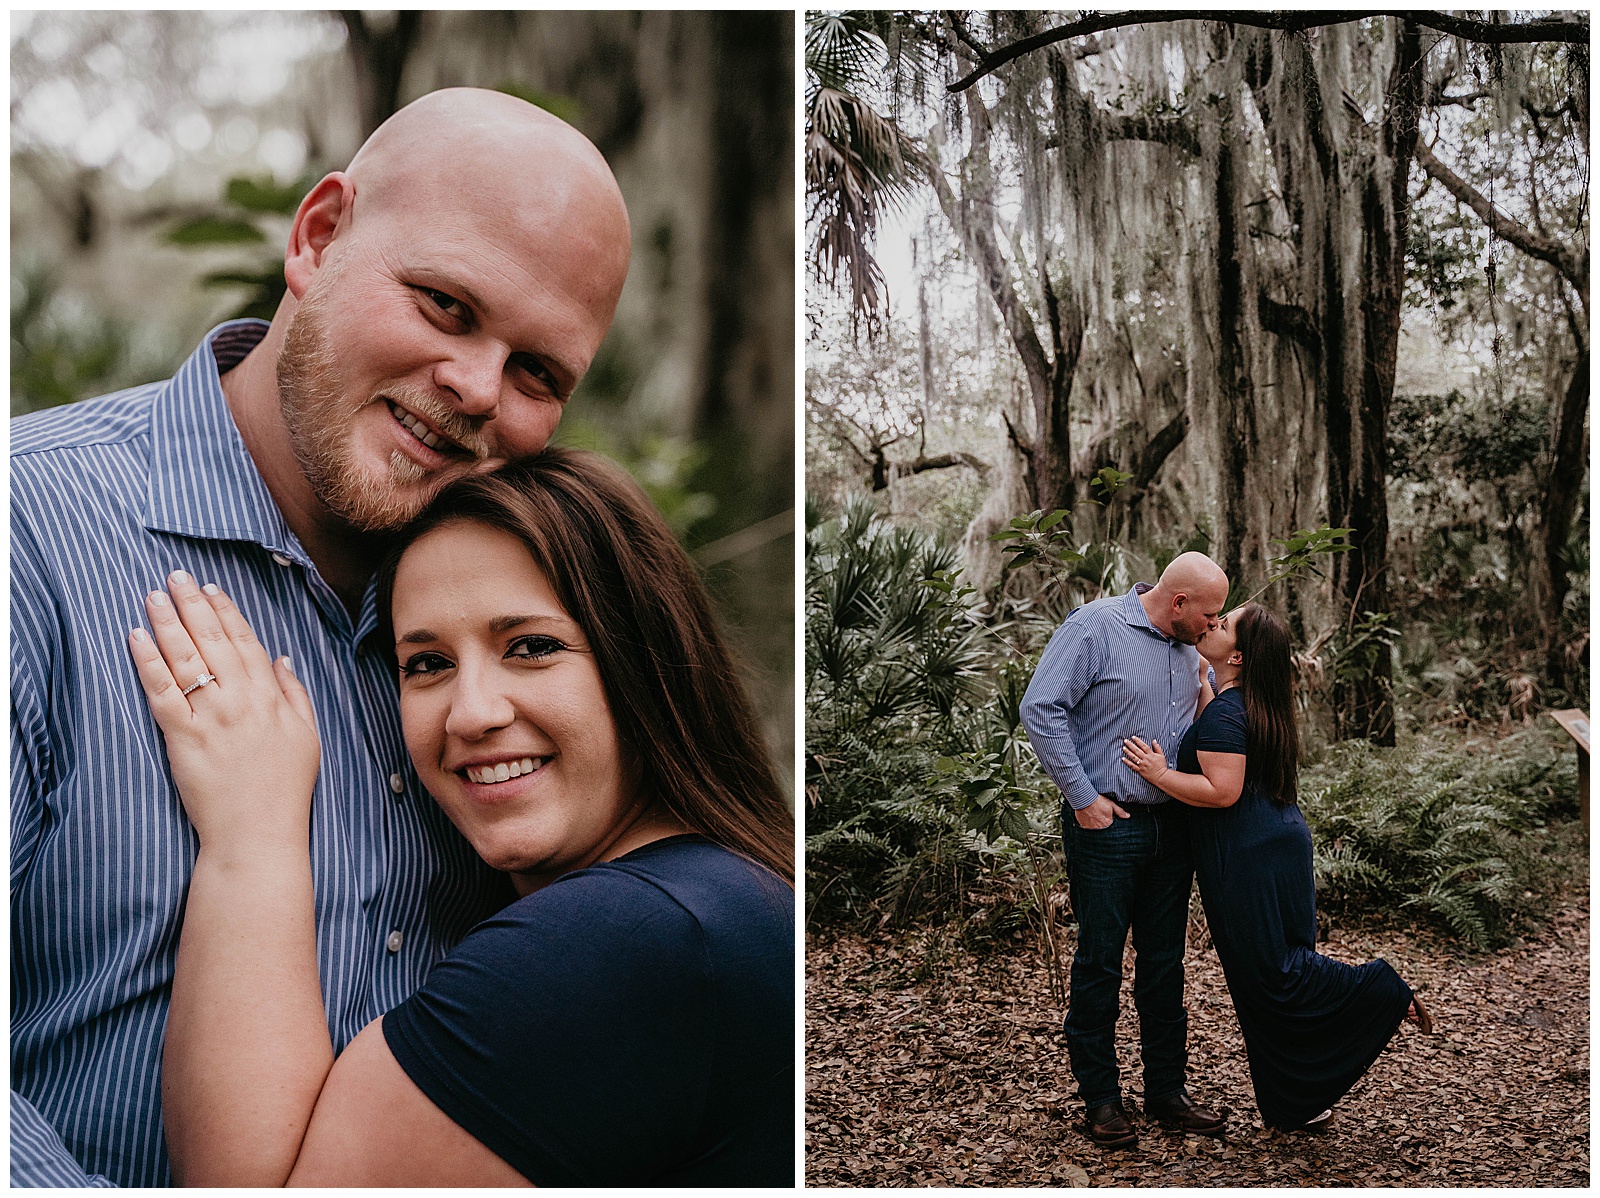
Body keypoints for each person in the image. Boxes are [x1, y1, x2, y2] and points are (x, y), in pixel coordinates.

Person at [11, 87, 632, 1186]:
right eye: (446, 306)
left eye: (539, 372)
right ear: (318, 237)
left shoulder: (531, 635)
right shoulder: (30, 537)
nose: (477, 390)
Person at [126, 450, 795, 1186]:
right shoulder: (731, 896)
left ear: (644, 660)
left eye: (532, 648)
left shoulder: (618, 944)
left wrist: (251, 836)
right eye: (427, 664)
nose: (473, 714)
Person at [1121, 602, 1432, 1132]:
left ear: (1238, 655)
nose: (1211, 623)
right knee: (1276, 966)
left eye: (1223, 624)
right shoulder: (1252, 704)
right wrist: (1202, 679)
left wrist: (1158, 773)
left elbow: (1222, 791)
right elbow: (1216, 738)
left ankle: (1381, 990)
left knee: (1270, 974)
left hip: (1247, 857)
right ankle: (1296, 1099)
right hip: (1275, 845)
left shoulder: (1228, 712)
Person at [1019, 553, 1231, 1149]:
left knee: (1164, 966)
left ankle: (1167, 1091)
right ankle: (1102, 1099)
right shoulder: (1094, 627)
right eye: (1209, 614)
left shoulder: (1193, 652)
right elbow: (1040, 708)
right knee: (1100, 963)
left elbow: (1215, 719)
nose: (1213, 625)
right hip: (1107, 823)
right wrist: (1083, 796)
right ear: (1179, 602)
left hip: (1174, 826)